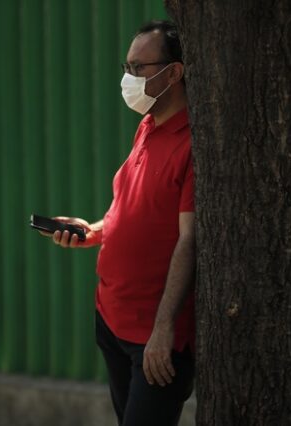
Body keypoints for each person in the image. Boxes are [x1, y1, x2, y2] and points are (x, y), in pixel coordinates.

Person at [41, 21, 195, 426]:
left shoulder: (194, 144)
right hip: (111, 319)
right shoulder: (147, 127)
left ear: (174, 72)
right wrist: (93, 231)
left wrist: (163, 330)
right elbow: (131, 208)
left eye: (138, 68)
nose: (128, 78)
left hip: (156, 336)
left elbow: (189, 241)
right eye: (126, 67)